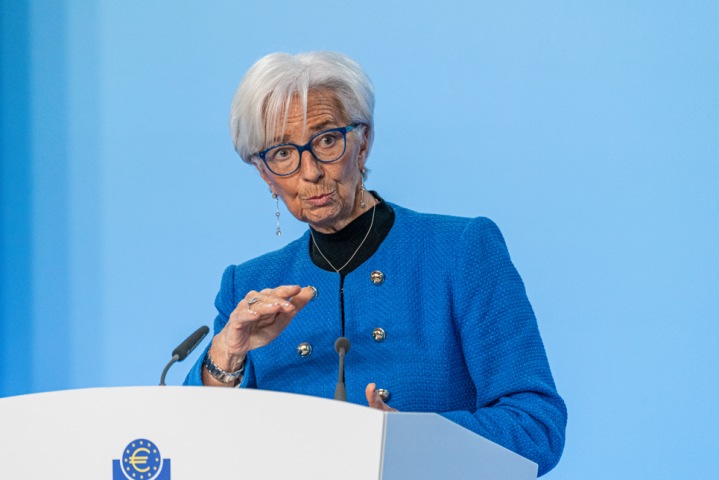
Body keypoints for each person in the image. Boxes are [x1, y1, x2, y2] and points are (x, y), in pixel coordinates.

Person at [184, 51, 567, 475]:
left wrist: (415, 442)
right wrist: (227, 354)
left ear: (362, 142)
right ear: (264, 174)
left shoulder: (459, 250)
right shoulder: (249, 285)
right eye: (282, 153)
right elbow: (189, 445)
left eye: (327, 140)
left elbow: (537, 427)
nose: (309, 171)